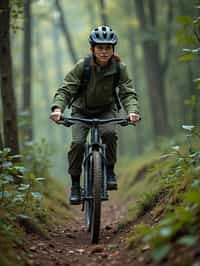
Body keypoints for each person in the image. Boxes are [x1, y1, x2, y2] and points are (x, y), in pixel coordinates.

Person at [50, 25, 140, 205]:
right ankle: (75, 184)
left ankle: (109, 170)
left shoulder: (119, 68)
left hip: (106, 110)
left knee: (109, 134)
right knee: (77, 144)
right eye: (100, 47)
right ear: (92, 49)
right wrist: (58, 108)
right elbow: (66, 89)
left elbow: (127, 93)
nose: (104, 52)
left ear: (113, 49)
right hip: (81, 111)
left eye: (108, 48)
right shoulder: (82, 66)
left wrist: (132, 111)